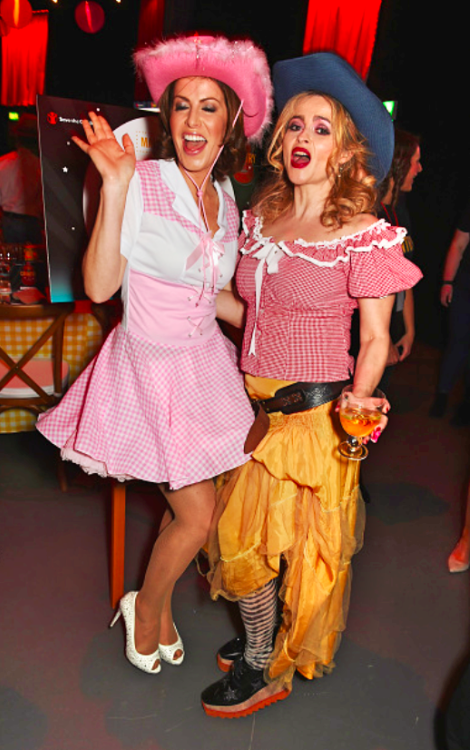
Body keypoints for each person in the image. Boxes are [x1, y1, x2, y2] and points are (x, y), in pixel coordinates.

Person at [37, 35, 272, 674]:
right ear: (166, 118)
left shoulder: (226, 200)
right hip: (150, 365)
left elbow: (213, 293)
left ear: (231, 124)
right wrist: (113, 187)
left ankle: (157, 607)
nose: (193, 122)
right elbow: (99, 286)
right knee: (197, 517)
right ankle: (143, 608)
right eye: (181, 107)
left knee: (209, 510)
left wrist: (275, 328)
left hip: (204, 363)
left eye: (209, 108)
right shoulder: (141, 181)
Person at [201, 52, 422, 718]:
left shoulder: (362, 234)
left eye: (322, 129)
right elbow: (251, 317)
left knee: (283, 547)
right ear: (278, 139)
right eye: (295, 125)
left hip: (314, 418)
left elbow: (377, 338)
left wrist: (361, 397)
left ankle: (264, 661)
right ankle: (260, 642)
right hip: (251, 408)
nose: (303, 139)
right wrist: (193, 290)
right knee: (242, 540)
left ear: (347, 149)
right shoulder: (261, 216)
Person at [377, 129, 422, 388]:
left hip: (392, 323)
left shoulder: (400, 212)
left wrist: (409, 330)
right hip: (368, 331)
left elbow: (406, 276)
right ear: (400, 163)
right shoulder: (370, 216)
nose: (419, 169)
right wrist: (381, 338)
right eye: (415, 161)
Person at [430, 198, 470, 425]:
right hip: (465, 286)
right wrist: (447, 281)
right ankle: (442, 395)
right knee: (457, 342)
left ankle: (466, 404)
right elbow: (459, 244)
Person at [0, 114, 44, 244]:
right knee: (33, 259)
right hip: (32, 221)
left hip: (10, 220)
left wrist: (10, 200)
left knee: (13, 258)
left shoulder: (2, 162)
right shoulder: (40, 165)